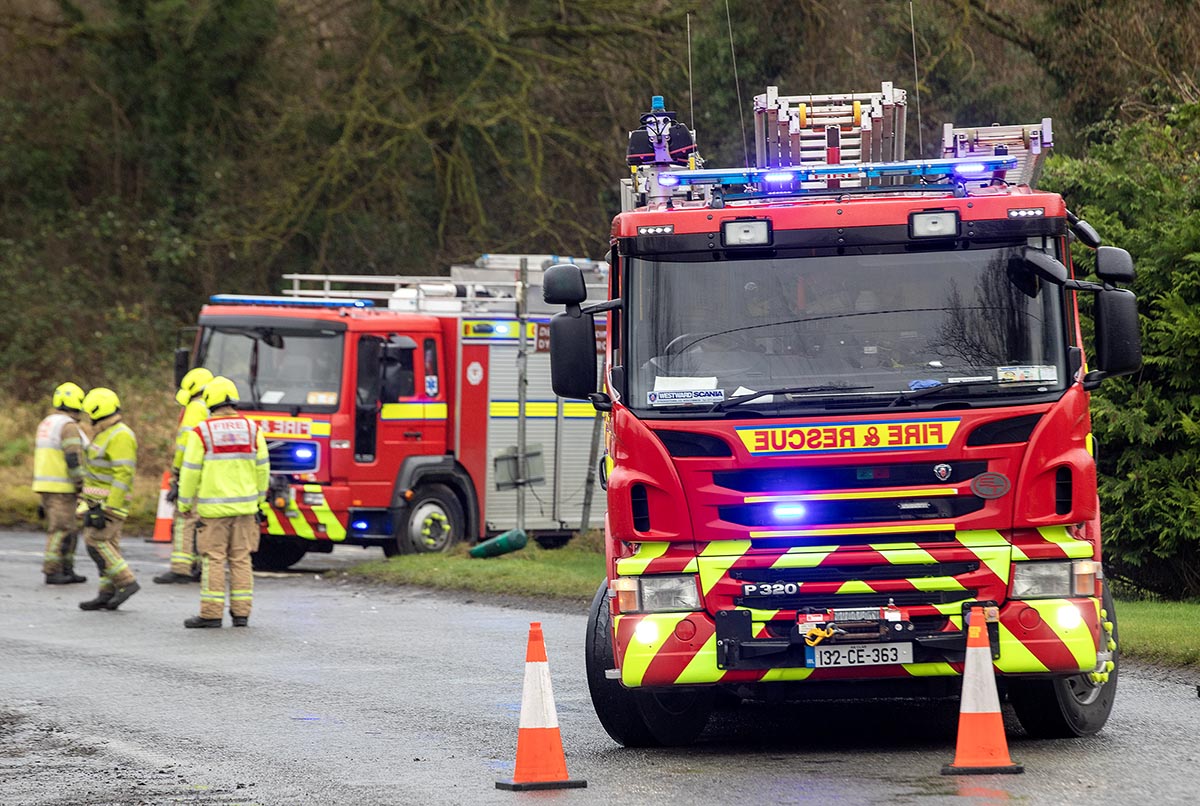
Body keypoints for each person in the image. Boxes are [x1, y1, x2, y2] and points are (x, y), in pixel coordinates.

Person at [177, 377, 269, 628]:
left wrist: (184, 503)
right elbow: (263, 469)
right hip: (246, 509)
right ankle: (241, 614)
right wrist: (259, 499)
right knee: (241, 559)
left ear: (210, 402)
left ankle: (211, 614)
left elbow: (190, 471)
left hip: (214, 510)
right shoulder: (253, 429)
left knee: (214, 559)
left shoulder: (202, 432)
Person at [77, 387, 141, 611]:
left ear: (97, 411)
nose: (89, 417)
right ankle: (107, 592)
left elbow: (123, 474)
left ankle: (126, 581)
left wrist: (109, 508)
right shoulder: (105, 433)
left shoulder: (120, 435)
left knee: (95, 541)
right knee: (109, 546)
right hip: (97, 502)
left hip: (109, 504)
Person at [154, 367, 213, 584]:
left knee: (184, 518)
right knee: (202, 520)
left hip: (193, 471)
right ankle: (198, 566)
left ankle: (181, 568)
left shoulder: (196, 408)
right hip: (212, 473)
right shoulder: (214, 407)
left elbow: (185, 445)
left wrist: (177, 473)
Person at [33, 382, 89, 585]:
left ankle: (67, 569)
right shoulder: (68, 426)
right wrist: (81, 483)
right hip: (62, 487)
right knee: (61, 530)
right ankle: (53, 570)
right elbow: (73, 457)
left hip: (46, 485)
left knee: (69, 529)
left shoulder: (47, 422)